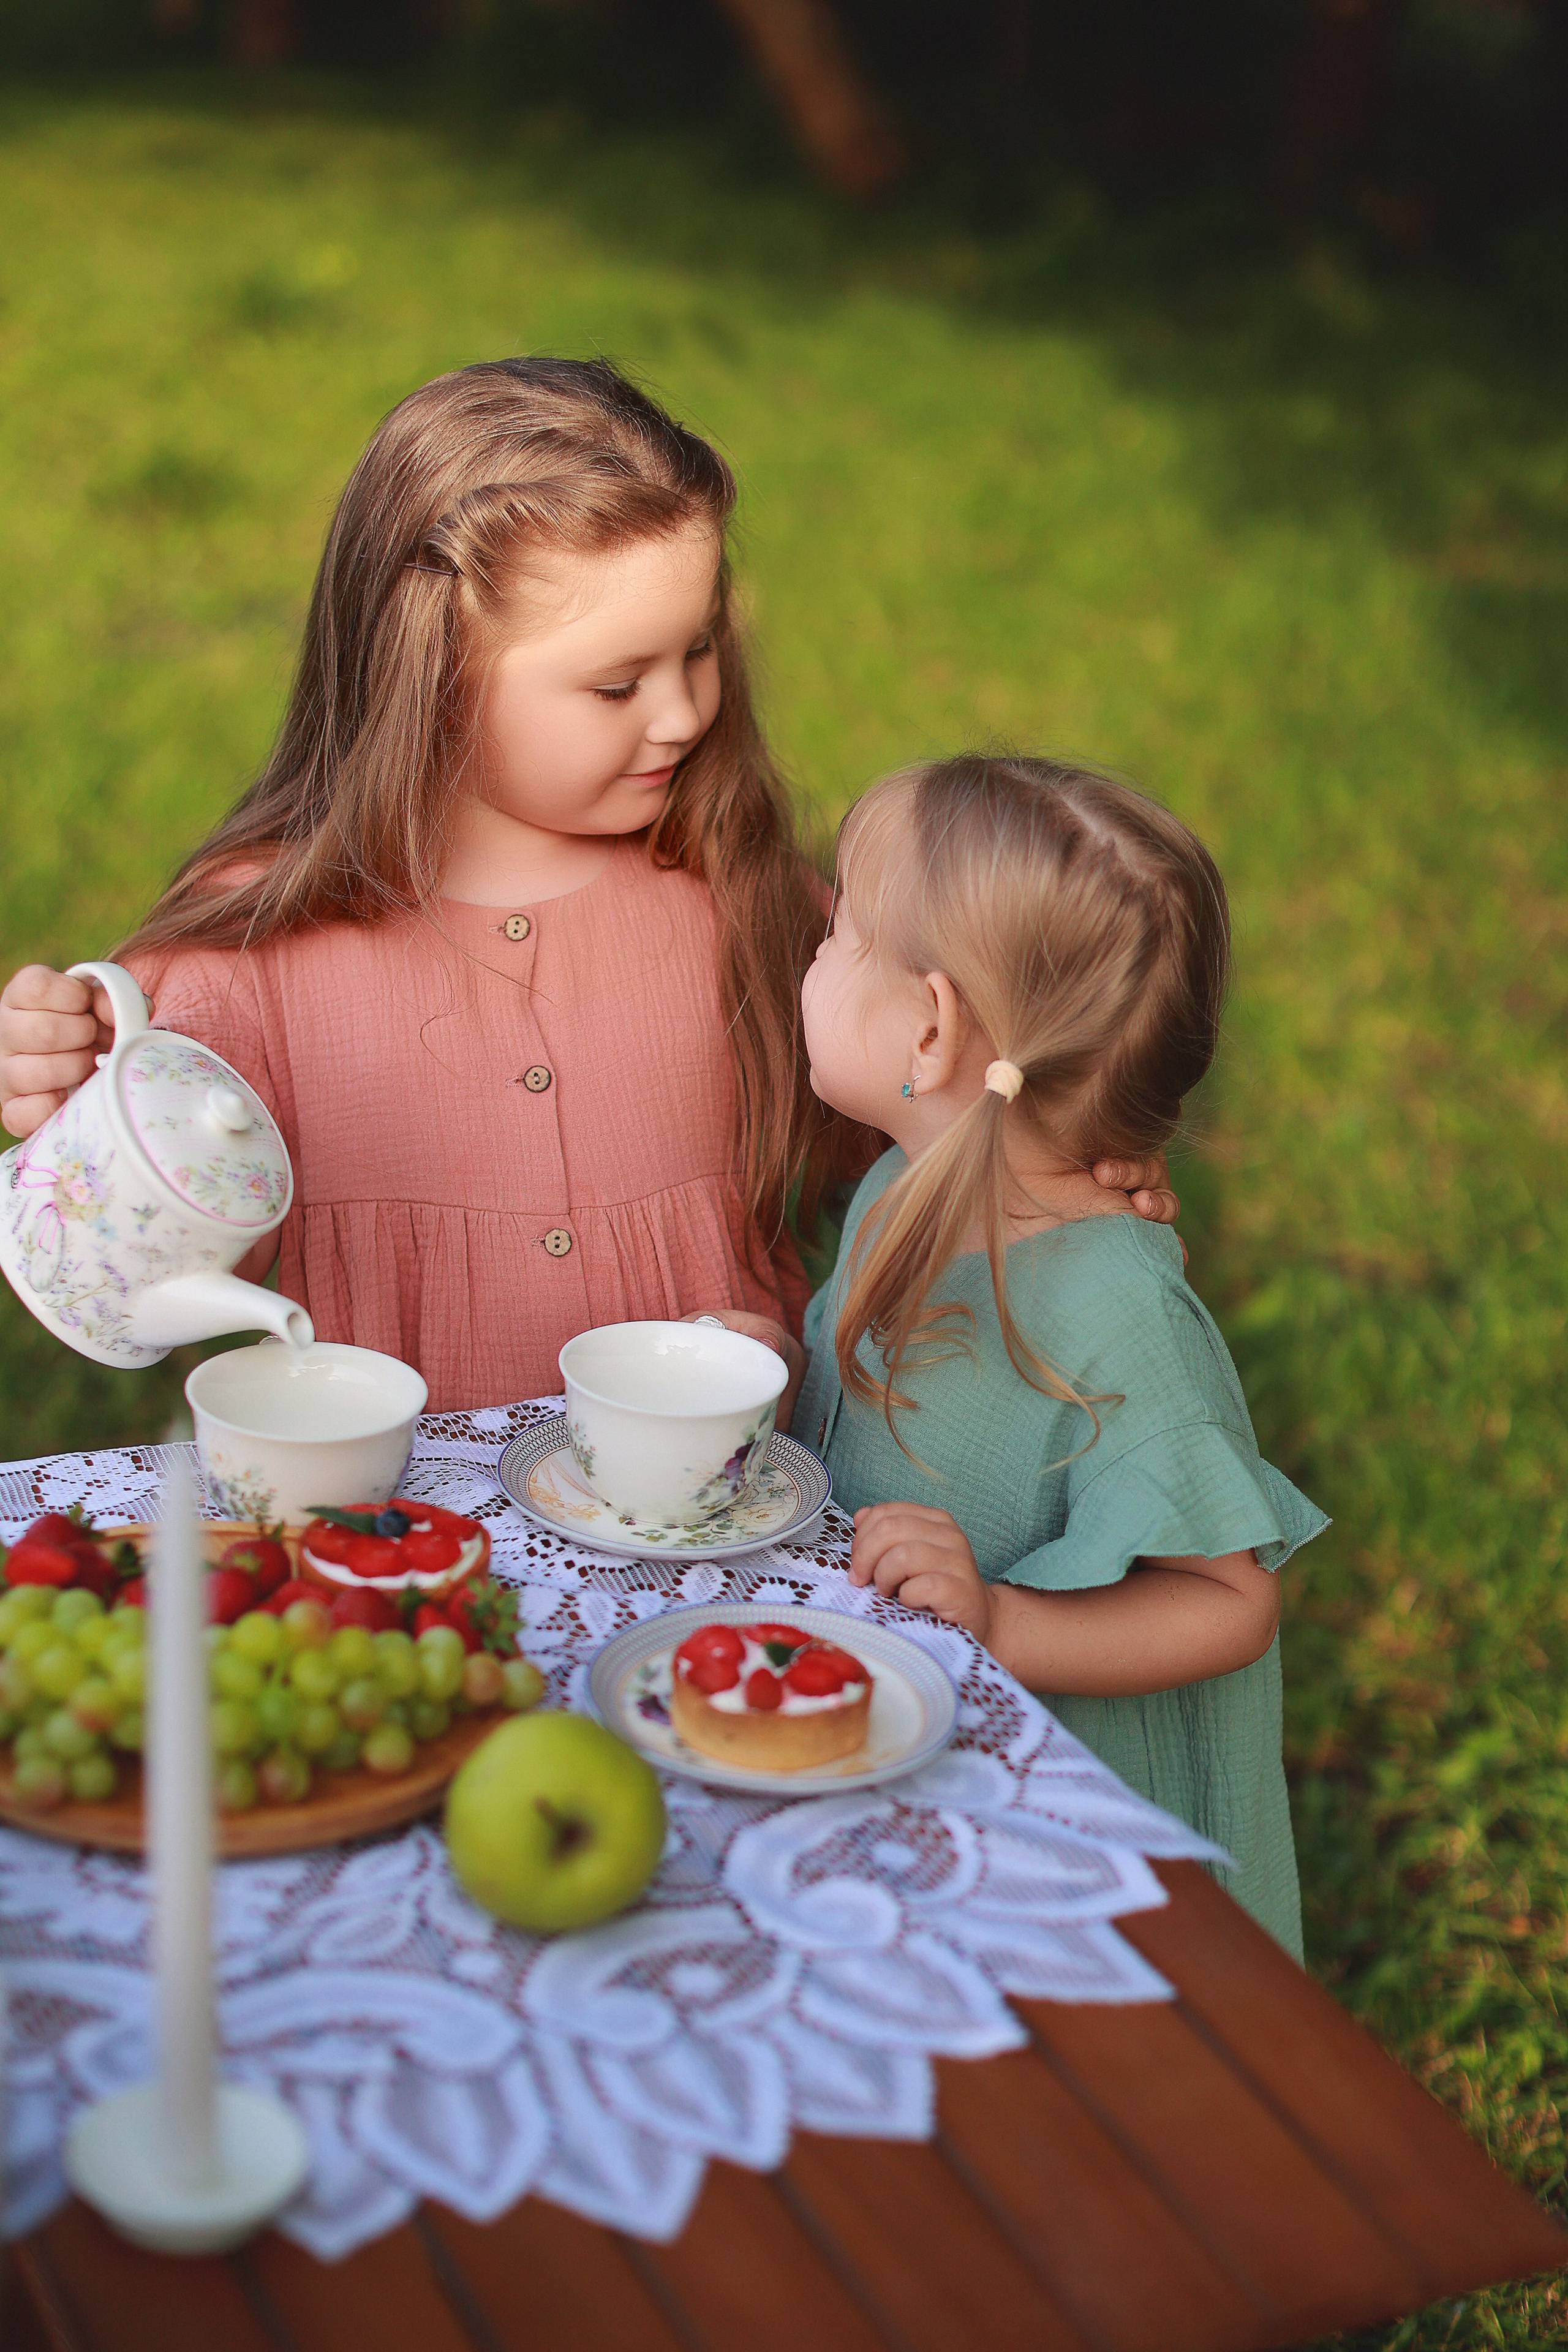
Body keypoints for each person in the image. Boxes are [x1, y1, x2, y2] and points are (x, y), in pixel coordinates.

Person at [0, 358, 1178, 1410]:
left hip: (712, 1525)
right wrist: (64, 1090)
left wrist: (1058, 1142)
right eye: (618, 686)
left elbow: (928, 1100)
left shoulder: (744, 898)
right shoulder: (259, 941)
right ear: (435, 676)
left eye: (701, 650)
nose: (682, 714)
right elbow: (134, 1257)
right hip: (384, 1538)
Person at [793, 753, 1326, 1953]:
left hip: (1074, 1844)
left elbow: (1227, 1602)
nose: (812, 952)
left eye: (839, 934)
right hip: (919, 1776)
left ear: (928, 1029)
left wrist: (1006, 1623)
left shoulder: (1109, 1305)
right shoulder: (903, 1187)